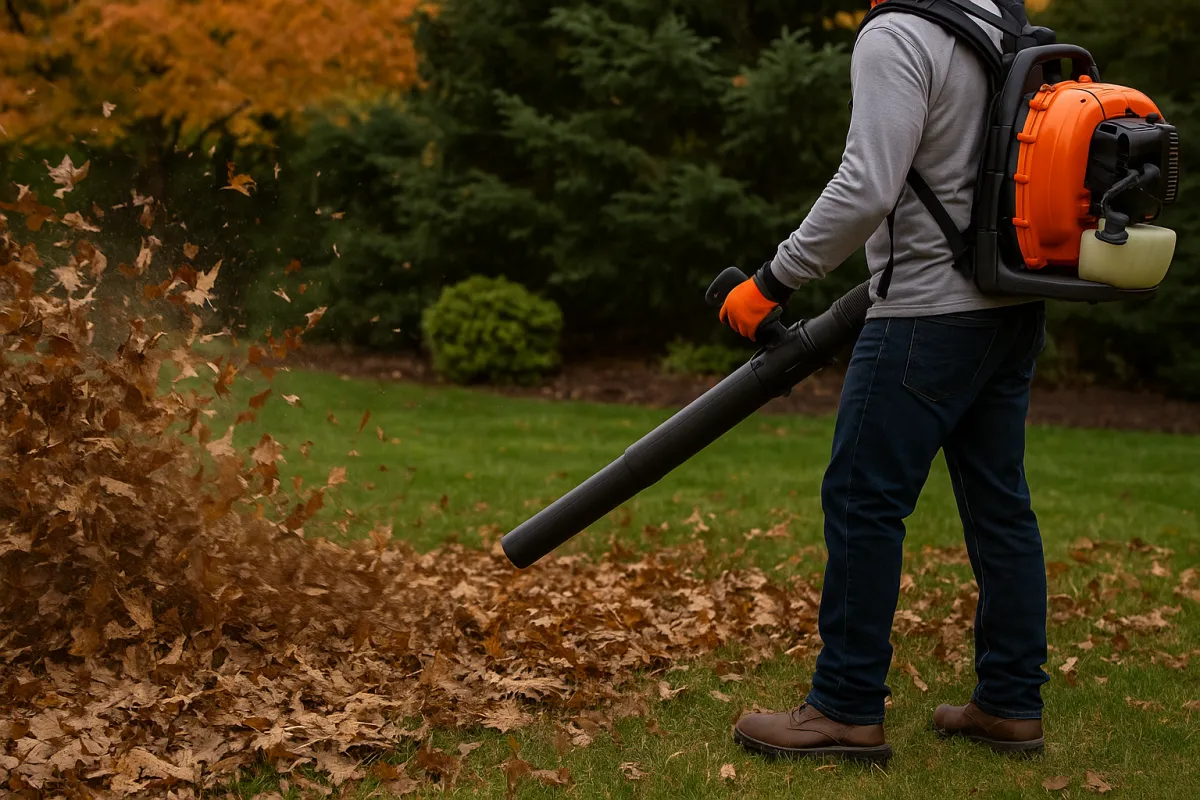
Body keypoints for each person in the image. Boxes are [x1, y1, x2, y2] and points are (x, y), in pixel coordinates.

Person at [719, 0, 1050, 764]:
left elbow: (866, 186)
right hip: (1011, 307)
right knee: (1000, 506)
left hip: (924, 316)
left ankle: (843, 707)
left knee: (862, 501)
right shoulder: (998, 20)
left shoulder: (898, 33)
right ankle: (1010, 703)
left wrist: (772, 281)